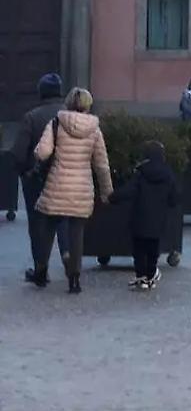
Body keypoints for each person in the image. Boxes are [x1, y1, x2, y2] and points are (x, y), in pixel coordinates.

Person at [29, 87, 113, 295]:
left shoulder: (56, 123)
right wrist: (106, 192)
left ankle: (41, 270)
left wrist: (37, 153)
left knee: (47, 228)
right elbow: (102, 165)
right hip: (81, 189)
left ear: (68, 103)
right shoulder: (94, 130)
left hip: (56, 185)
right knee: (76, 234)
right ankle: (74, 279)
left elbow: (43, 152)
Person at [10, 72, 68, 283]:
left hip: (37, 179)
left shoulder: (32, 117)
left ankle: (40, 269)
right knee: (64, 219)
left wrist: (23, 172)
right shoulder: (71, 117)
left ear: (41, 92)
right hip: (66, 177)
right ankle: (68, 258)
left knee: (38, 224)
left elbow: (19, 152)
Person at [112, 140, 178, 291]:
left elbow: (129, 190)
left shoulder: (141, 173)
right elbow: (174, 198)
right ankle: (151, 275)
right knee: (153, 249)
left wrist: (112, 197)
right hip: (158, 220)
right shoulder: (168, 174)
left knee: (139, 249)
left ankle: (141, 275)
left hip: (140, 218)